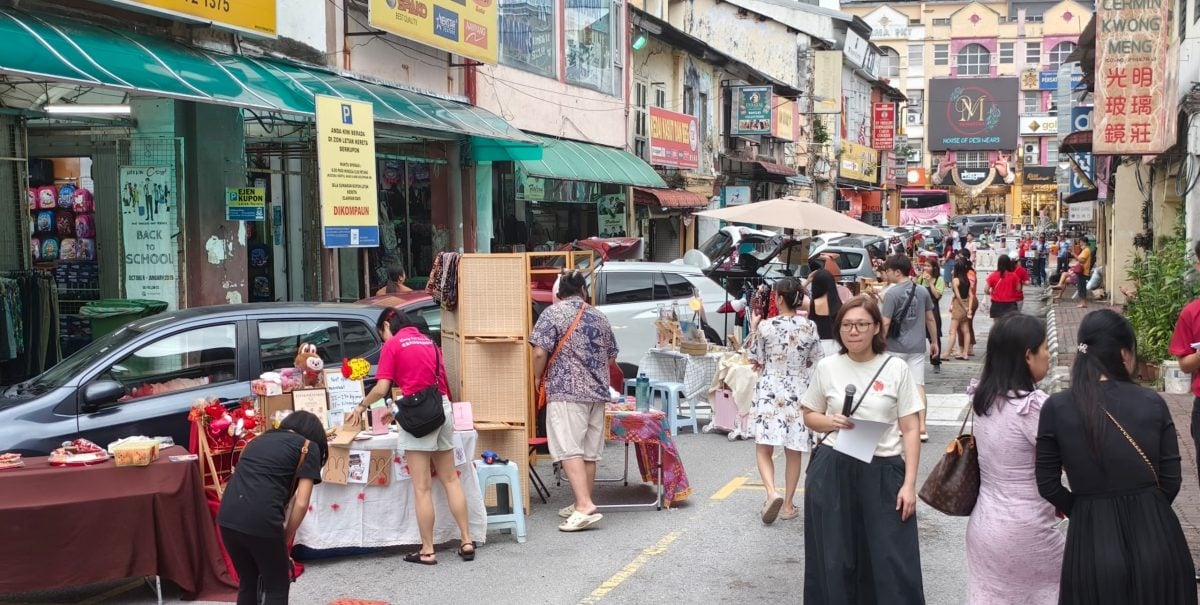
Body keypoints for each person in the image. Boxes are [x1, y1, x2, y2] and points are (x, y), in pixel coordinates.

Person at [1036, 309, 1195, 604]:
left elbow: (1047, 483)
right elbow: (1171, 480)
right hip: (1158, 540)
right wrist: (1149, 508)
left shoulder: (1057, 407)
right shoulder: (1152, 401)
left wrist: (1084, 509)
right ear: (1124, 353)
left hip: (1092, 543)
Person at [801, 296, 925, 603]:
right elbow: (808, 415)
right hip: (833, 468)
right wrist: (829, 421)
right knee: (835, 556)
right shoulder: (828, 367)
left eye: (861, 324)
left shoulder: (895, 368)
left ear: (876, 329)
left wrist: (909, 485)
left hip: (884, 469)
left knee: (891, 558)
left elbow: (910, 428)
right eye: (846, 325)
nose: (853, 331)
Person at [345, 310, 474, 564]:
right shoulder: (430, 342)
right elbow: (436, 387)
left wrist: (361, 407)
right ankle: (467, 540)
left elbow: (382, 388)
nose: (383, 340)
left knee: (422, 487)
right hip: (442, 409)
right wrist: (398, 413)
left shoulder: (393, 345)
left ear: (386, 325)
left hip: (418, 419)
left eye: (382, 334)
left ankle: (427, 550)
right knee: (450, 479)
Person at [966, 313, 1064, 604]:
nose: (1048, 355)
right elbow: (1072, 460)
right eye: (1045, 347)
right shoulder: (1033, 408)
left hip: (984, 525)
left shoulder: (983, 398)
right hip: (1027, 530)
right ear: (1027, 355)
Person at [530, 270, 619, 532]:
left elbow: (538, 352)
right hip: (598, 393)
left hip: (567, 392)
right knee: (589, 452)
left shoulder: (553, 313)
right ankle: (583, 500)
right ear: (583, 291)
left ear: (559, 293)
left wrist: (538, 379)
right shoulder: (599, 316)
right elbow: (611, 357)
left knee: (569, 450)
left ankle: (583, 505)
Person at [217, 411, 328, 604]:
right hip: (262, 519)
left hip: (227, 517)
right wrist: (284, 538)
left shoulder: (258, 440)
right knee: (276, 585)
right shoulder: (308, 447)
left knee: (248, 582)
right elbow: (301, 503)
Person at [746, 277, 824, 524]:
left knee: (763, 446)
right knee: (794, 450)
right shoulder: (809, 327)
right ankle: (789, 505)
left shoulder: (766, 326)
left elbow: (754, 358)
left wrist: (753, 326)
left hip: (770, 388)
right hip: (798, 389)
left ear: (779, 298)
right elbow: (816, 358)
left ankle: (771, 492)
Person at [880, 254, 938, 442]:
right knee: (918, 385)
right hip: (917, 346)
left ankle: (898, 425)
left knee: (895, 387)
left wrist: (879, 342)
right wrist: (934, 342)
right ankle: (922, 426)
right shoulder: (921, 290)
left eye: (888, 271)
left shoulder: (891, 294)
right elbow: (930, 318)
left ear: (897, 271)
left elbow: (886, 322)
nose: (886, 274)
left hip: (895, 347)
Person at [915, 257, 944, 370]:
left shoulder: (939, 279)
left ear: (934, 268)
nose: (926, 268)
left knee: (934, 335)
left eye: (928, 266)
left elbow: (937, 296)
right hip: (920, 309)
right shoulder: (921, 278)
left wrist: (930, 282)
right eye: (925, 266)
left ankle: (936, 360)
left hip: (933, 309)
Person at [806, 269, 843, 357]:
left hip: (817, 346)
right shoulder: (840, 304)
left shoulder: (811, 304)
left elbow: (793, 298)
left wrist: (807, 281)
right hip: (837, 345)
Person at [947, 261, 972, 361]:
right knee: (966, 330)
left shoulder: (955, 280)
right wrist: (968, 308)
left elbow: (957, 295)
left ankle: (946, 353)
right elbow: (971, 295)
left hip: (958, 305)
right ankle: (965, 353)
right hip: (966, 303)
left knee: (952, 331)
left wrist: (963, 307)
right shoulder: (967, 280)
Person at [1072, 237, 1094, 309]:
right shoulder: (1084, 250)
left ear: (1084, 242)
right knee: (1080, 287)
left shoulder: (1086, 250)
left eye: (1081, 242)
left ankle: (1083, 303)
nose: (1080, 244)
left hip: (1084, 271)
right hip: (1082, 271)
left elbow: (1082, 260)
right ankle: (1082, 302)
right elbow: (1079, 259)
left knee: (1082, 288)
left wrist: (1074, 254)